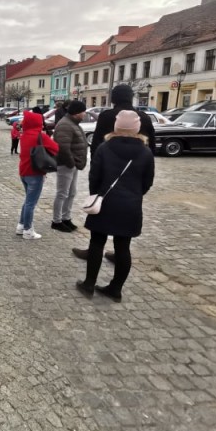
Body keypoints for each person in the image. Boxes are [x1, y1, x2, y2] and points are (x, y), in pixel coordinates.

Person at [75, 110, 155, 302]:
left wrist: (97, 195)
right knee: (123, 247)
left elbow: (94, 177)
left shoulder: (105, 147)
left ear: (116, 127)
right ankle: (115, 289)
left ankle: (89, 284)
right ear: (137, 128)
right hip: (130, 205)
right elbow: (147, 182)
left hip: (105, 202)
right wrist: (134, 194)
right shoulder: (145, 152)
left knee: (96, 243)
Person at [73, 84, 156, 261]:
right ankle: (120, 254)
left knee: (99, 215)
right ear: (131, 97)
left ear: (113, 98)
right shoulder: (144, 118)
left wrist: (96, 176)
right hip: (134, 177)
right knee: (125, 226)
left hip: (106, 175)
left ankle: (93, 251)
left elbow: (96, 146)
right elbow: (152, 148)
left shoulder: (107, 116)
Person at [15, 110, 59, 239]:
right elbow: (56, 148)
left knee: (28, 200)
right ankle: (28, 230)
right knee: (31, 203)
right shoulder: (40, 136)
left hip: (23, 171)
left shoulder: (24, 135)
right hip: (35, 172)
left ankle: (21, 225)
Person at [51, 100, 88, 233]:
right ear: (76, 112)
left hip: (73, 164)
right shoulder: (65, 124)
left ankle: (66, 217)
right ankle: (56, 221)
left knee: (71, 193)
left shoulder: (73, 123)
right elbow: (63, 147)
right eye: (83, 111)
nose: (84, 114)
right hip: (66, 164)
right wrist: (71, 162)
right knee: (62, 193)